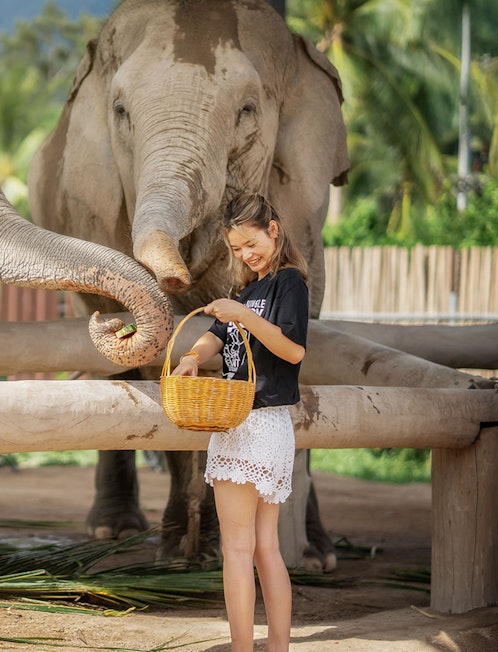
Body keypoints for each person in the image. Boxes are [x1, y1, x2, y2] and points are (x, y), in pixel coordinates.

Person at [171, 192, 308, 652]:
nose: (246, 255)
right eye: (236, 249)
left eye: (252, 243)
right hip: (240, 422)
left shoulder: (289, 284)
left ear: (273, 230)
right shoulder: (244, 292)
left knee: (239, 549)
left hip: (259, 423)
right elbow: (215, 336)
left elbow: (293, 350)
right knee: (264, 546)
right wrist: (192, 357)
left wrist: (244, 316)